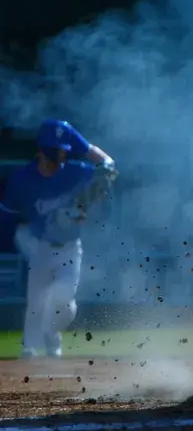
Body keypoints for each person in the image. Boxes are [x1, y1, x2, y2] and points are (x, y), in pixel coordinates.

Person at [0, 119, 117, 358]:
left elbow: (108, 167)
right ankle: (30, 348)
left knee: (63, 301)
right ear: (41, 153)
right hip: (40, 245)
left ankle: (52, 338)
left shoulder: (76, 171)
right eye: (56, 154)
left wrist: (98, 163)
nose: (60, 159)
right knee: (36, 300)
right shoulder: (22, 179)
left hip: (70, 248)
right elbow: (7, 216)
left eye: (63, 153)